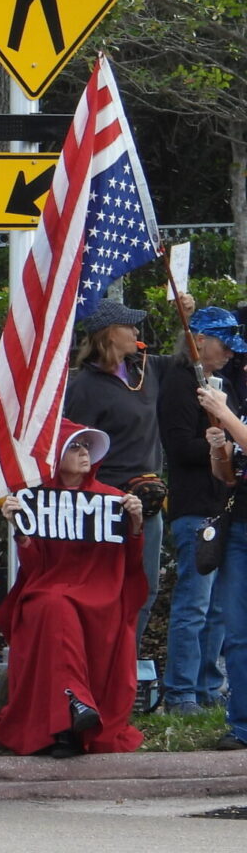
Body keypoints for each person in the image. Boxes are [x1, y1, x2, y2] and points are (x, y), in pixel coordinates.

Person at [0, 421, 147, 757]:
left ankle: (70, 717)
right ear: (55, 457)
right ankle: (72, 711)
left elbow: (129, 561)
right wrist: (21, 531)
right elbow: (36, 567)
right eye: (75, 446)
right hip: (49, 586)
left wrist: (136, 525)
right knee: (53, 606)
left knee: (57, 607)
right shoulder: (35, 500)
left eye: (87, 446)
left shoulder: (113, 499)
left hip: (101, 592)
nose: (84, 452)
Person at [63, 300, 168, 647]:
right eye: (129, 326)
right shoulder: (84, 388)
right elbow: (75, 449)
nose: (137, 332)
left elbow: (193, 361)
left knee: (144, 589)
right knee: (102, 591)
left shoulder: (145, 371)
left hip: (147, 503)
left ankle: (125, 669)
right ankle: (97, 667)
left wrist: (187, 313)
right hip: (103, 503)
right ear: (110, 335)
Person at [156, 307, 242, 714]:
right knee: (194, 602)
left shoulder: (223, 382)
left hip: (224, 504)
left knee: (220, 607)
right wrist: (214, 444)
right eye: (224, 345)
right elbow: (175, 447)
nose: (229, 353)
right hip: (194, 504)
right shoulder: (179, 381)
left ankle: (209, 686)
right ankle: (181, 691)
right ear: (200, 342)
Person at [194, 386, 247, 751]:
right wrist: (218, 448)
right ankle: (241, 725)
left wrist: (225, 415)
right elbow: (228, 477)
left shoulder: (235, 412)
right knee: (239, 633)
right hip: (240, 529)